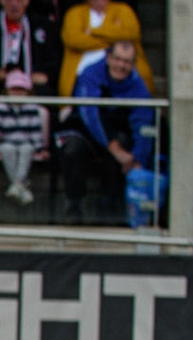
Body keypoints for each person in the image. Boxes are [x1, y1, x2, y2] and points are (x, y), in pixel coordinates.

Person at [57, 38, 152, 223]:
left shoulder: (138, 85)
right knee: (73, 149)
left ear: (133, 65)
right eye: (117, 59)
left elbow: (144, 124)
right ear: (108, 57)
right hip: (84, 131)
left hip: (118, 134)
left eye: (126, 62)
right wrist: (115, 149)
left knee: (126, 146)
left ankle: (109, 205)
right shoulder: (90, 73)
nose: (120, 65)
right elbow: (90, 115)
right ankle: (73, 206)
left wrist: (137, 160)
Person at [57, 0, 149, 96]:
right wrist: (113, 39)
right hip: (81, 80)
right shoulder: (74, 13)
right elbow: (74, 40)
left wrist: (92, 31)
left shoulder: (124, 10)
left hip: (122, 77)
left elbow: (130, 33)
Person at [0, 67, 49, 203]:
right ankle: (20, 186)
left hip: (25, 142)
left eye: (21, 90)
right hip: (6, 141)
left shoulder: (32, 109)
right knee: (7, 149)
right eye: (13, 89)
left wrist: (41, 149)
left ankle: (16, 186)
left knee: (27, 149)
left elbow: (35, 131)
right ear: (7, 91)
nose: (17, 93)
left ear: (28, 92)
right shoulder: (1, 108)